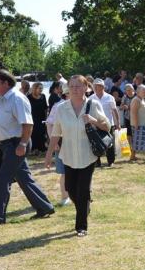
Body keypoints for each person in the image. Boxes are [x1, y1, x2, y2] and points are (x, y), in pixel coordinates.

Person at [0, 70, 54, 229]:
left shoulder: (17, 98)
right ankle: (45, 207)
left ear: (6, 83)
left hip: (16, 144)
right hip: (7, 144)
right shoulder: (2, 98)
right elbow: (0, 124)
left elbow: (28, 124)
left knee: (1, 180)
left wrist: (23, 144)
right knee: (24, 179)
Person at [45, 75, 110, 236]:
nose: (75, 89)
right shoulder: (61, 108)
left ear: (86, 88)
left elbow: (107, 125)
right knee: (70, 188)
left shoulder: (93, 104)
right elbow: (56, 133)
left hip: (88, 155)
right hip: (68, 155)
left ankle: (81, 226)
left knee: (82, 190)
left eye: (78, 86)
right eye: (72, 86)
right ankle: (85, 206)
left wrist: (93, 120)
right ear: (68, 88)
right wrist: (49, 154)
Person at [46, 83, 71, 206]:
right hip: (61, 142)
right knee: (64, 172)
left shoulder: (84, 104)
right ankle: (65, 196)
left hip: (78, 142)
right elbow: (49, 124)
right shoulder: (58, 106)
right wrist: (53, 142)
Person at [89, 78, 120, 167]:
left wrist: (117, 123)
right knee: (96, 142)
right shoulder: (91, 98)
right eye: (95, 86)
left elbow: (114, 111)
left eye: (98, 86)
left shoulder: (110, 97)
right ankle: (97, 162)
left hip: (108, 124)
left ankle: (111, 161)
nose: (96, 87)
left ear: (103, 87)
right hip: (95, 124)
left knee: (109, 143)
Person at [27, 82, 48, 153]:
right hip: (32, 118)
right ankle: (34, 148)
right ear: (35, 88)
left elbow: (45, 108)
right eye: (39, 88)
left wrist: (46, 118)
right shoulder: (29, 97)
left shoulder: (43, 96)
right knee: (33, 133)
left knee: (42, 133)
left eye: (42, 88)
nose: (41, 90)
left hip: (41, 118)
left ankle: (42, 148)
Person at [120, 84, 135, 157]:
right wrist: (124, 107)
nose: (129, 91)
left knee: (135, 135)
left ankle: (134, 153)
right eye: (127, 90)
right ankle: (131, 152)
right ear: (125, 91)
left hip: (136, 118)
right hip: (128, 118)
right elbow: (121, 107)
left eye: (130, 90)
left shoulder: (137, 97)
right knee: (129, 136)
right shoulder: (125, 97)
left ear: (133, 89)